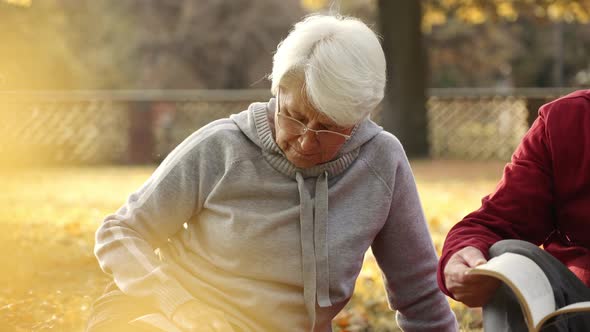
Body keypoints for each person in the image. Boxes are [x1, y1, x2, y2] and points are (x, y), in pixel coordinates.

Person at [86, 14, 457, 332]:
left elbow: (418, 291)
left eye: (328, 127)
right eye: (295, 116)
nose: (306, 141)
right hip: (161, 315)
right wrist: (180, 305)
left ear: (361, 115)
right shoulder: (222, 146)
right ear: (278, 90)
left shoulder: (381, 160)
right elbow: (120, 231)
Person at [438, 90, 590, 331]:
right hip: (580, 310)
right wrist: (463, 255)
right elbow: (496, 222)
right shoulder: (566, 120)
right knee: (507, 256)